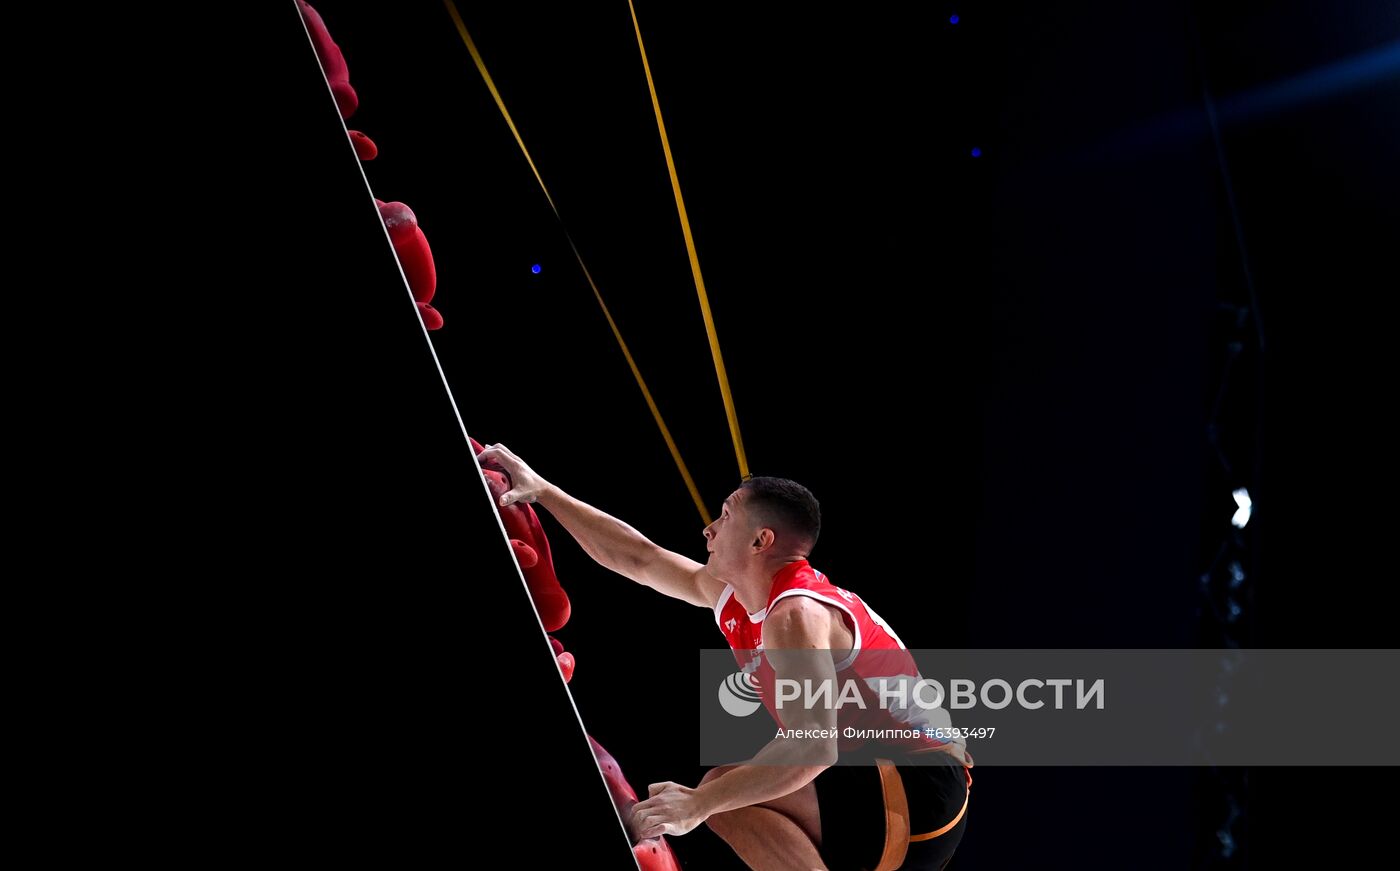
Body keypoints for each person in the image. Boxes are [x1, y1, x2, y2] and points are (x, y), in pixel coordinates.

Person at [476, 443, 972, 871]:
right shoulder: (739, 598)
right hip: (890, 792)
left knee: (722, 791)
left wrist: (697, 805)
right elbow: (641, 558)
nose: (709, 530)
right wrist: (543, 491)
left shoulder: (796, 614)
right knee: (729, 794)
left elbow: (816, 745)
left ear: (761, 540)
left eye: (726, 515)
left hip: (921, 788)